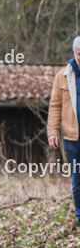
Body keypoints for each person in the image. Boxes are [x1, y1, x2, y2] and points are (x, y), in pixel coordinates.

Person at [47, 36, 80, 226]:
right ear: (74, 53)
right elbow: (55, 106)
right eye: (79, 55)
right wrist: (52, 131)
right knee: (77, 180)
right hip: (72, 137)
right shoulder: (63, 76)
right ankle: (79, 216)